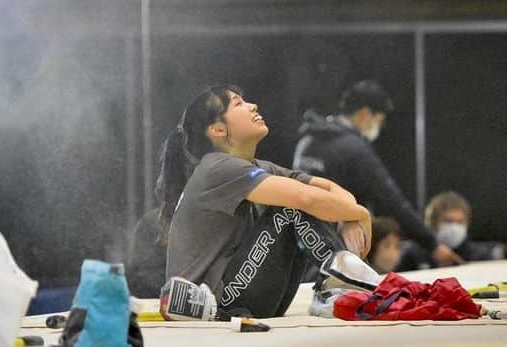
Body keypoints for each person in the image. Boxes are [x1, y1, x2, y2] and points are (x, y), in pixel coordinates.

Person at [159, 85, 383, 318]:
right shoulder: (216, 168)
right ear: (217, 129)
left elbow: (328, 187)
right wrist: (360, 214)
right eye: (238, 104)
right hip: (220, 303)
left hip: (245, 295)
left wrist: (352, 215)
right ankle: (338, 286)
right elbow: (304, 197)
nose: (252, 105)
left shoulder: (255, 167)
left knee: (309, 201)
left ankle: (341, 284)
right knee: (290, 207)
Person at [293, 79, 462, 268]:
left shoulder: (307, 141)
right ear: (365, 114)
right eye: (379, 120)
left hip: (301, 246)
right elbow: (392, 201)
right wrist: (432, 244)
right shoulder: (354, 149)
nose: (379, 128)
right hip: (339, 249)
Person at [397, 191, 500, 270]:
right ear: (432, 223)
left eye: (460, 222)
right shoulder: (413, 254)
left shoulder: (480, 257)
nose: (454, 227)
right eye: (448, 221)